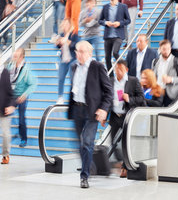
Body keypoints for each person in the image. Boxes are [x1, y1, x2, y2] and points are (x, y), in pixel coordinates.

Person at [67, 42, 113, 189]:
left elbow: (109, 91)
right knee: (79, 144)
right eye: (77, 51)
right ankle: (90, 166)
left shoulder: (97, 67)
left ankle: (84, 176)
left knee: (87, 142)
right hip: (77, 109)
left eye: (82, 52)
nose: (78, 54)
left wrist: (104, 109)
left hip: (92, 111)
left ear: (89, 53)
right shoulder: (73, 67)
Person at [109, 60, 145, 178]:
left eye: (120, 69)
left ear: (126, 70)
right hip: (115, 116)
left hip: (127, 116)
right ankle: (120, 161)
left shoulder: (133, 81)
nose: (117, 71)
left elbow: (141, 98)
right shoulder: (111, 81)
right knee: (113, 142)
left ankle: (125, 167)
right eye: (116, 69)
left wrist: (128, 98)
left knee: (125, 142)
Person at [9, 48, 37, 148]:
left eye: (16, 55)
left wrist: (24, 95)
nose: (14, 56)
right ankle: (16, 131)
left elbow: (33, 84)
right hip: (12, 95)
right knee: (6, 114)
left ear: (21, 57)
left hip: (22, 96)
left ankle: (23, 138)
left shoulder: (26, 69)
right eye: (14, 55)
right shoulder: (10, 66)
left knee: (21, 118)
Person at [99, 0, 131, 72]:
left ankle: (125, 65)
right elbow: (100, 20)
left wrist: (119, 23)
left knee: (115, 52)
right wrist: (106, 23)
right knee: (107, 57)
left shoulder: (123, 7)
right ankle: (111, 76)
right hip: (108, 36)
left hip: (118, 35)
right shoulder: (105, 7)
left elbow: (128, 20)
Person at [152, 39, 178, 106]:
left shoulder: (177, 61)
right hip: (157, 93)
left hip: (170, 94)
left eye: (168, 48)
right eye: (164, 49)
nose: (166, 51)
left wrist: (171, 79)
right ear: (160, 49)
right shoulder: (155, 62)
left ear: (170, 48)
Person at [55, 19, 78, 104]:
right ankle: (60, 97)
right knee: (61, 78)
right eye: (63, 24)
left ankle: (74, 97)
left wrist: (68, 42)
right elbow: (58, 47)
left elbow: (77, 45)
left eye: (66, 24)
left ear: (69, 25)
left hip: (72, 59)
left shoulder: (74, 34)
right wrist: (58, 43)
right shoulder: (61, 35)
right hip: (63, 59)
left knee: (73, 79)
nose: (64, 26)